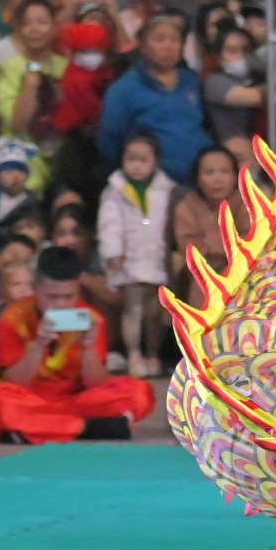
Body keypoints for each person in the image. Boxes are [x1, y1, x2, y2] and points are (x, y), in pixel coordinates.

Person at [0, 246, 157, 444]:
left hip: (77, 400)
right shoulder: (12, 318)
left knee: (139, 392)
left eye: (68, 297)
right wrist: (38, 346)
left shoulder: (92, 318)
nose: (61, 304)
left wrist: (89, 348)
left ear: (78, 290)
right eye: (52, 297)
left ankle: (40, 430)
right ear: (36, 290)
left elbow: (97, 383)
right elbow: (15, 383)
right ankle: (89, 429)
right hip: (31, 398)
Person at [95, 131, 178, 378]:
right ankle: (133, 354)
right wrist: (113, 252)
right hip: (129, 260)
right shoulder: (115, 190)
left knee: (154, 312)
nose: (137, 165)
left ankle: (153, 353)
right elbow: (109, 225)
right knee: (132, 309)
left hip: (156, 258)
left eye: (143, 160)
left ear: (155, 162)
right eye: (131, 159)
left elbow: (171, 225)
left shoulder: (166, 189)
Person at [96, 16, 210, 184]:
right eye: (159, 39)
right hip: (152, 182)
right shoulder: (124, 89)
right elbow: (109, 140)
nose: (168, 46)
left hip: (202, 178)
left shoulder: (191, 80)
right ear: (142, 45)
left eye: (174, 40)